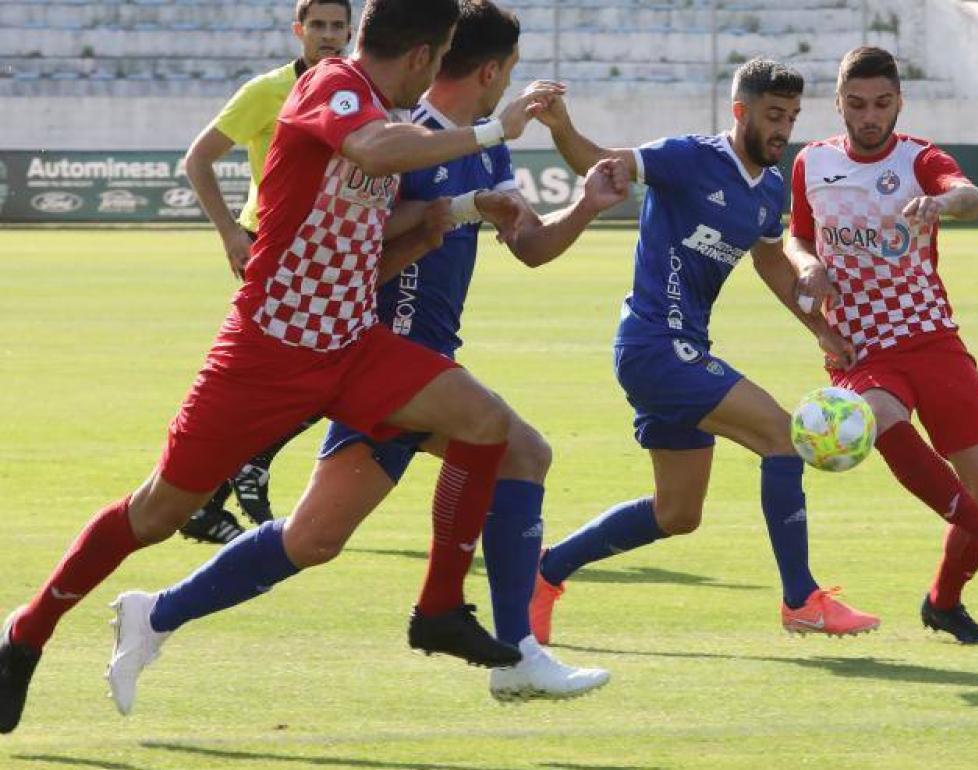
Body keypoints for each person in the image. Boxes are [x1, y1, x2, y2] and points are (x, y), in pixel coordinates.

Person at [0, 0, 565, 734]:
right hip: (265, 354)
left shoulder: (383, 117)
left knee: (489, 426)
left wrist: (454, 214)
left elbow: (369, 248)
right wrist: (494, 129)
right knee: (157, 514)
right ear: (424, 57)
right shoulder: (332, 85)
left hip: (349, 347)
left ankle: (437, 611)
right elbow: (371, 150)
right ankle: (27, 631)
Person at [526, 58, 881, 647]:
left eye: (791, 117)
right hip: (655, 345)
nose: (782, 130)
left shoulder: (768, 188)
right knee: (780, 435)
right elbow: (601, 167)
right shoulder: (688, 158)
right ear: (740, 111)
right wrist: (562, 127)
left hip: (679, 349)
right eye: (772, 115)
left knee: (677, 513)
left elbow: (770, 259)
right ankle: (802, 601)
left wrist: (816, 328)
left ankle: (543, 573)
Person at [786, 46, 978, 645]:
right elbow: (795, 237)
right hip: (862, 349)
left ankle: (943, 603)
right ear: (838, 103)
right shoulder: (812, 164)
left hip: (931, 338)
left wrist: (941, 201)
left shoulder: (920, 158)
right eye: (856, 104)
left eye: (881, 104)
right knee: (880, 416)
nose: (869, 116)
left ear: (899, 101)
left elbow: (969, 195)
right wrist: (807, 266)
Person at [179, 0, 355, 543]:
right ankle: (229, 477)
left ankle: (215, 492)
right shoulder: (267, 91)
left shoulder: (358, 90)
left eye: (337, 27)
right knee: (321, 371)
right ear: (299, 31)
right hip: (275, 249)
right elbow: (198, 158)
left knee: (306, 375)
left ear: (352, 32)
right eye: (318, 26)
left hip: (334, 253)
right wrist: (232, 232)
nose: (328, 36)